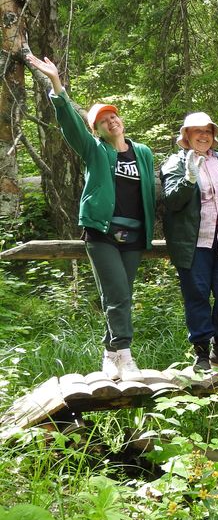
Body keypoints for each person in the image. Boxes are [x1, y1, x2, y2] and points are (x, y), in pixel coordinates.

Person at [25, 54, 156, 380]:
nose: (111, 121)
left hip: (136, 234)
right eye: (103, 120)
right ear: (95, 129)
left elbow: (156, 193)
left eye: (114, 117)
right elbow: (69, 122)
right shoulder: (95, 149)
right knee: (117, 295)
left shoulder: (143, 153)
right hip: (102, 233)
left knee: (121, 295)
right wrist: (57, 84)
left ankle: (109, 354)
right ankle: (125, 357)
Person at [160, 112, 218, 371]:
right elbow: (172, 201)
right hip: (194, 242)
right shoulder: (174, 163)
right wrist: (189, 178)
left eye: (207, 130)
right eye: (197, 131)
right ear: (186, 136)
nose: (203, 135)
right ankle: (201, 352)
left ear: (214, 135)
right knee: (196, 294)